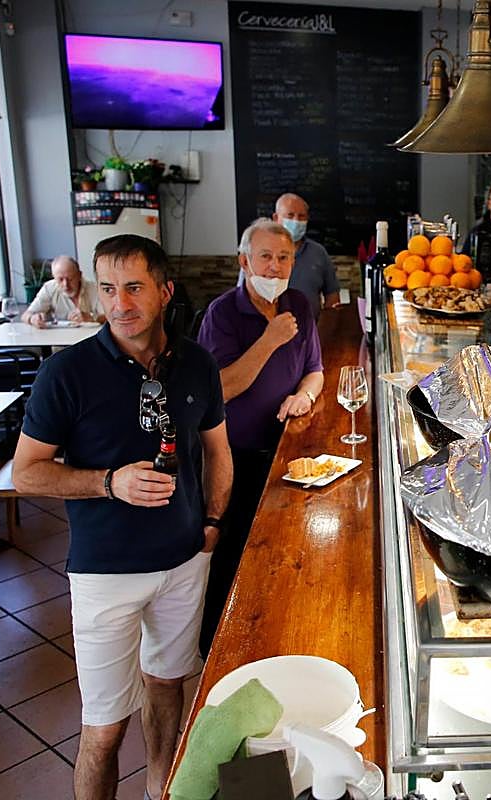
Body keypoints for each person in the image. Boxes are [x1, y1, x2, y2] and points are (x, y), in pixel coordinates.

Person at [12, 234, 233, 800]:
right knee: (103, 728)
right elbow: (28, 473)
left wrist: (210, 526)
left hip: (184, 561)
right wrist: (110, 482)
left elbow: (216, 451)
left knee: (167, 689)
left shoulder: (197, 363)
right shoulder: (67, 373)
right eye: (108, 289)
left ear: (164, 292)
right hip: (104, 572)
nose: (120, 304)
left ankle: (160, 791)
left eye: (134, 288)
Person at [196, 218, 324, 653]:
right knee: (230, 552)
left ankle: (268, 637)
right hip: (235, 454)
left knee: (275, 552)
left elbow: (315, 371)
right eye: (265, 257)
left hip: (286, 450)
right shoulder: (223, 313)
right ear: (244, 261)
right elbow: (220, 388)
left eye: (283, 258)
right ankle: (216, 646)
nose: (274, 268)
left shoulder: (300, 306)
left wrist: (304, 397)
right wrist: (269, 340)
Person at [238, 193, 340, 321]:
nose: (296, 221)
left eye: (301, 216)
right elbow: (242, 295)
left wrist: (326, 328)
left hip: (308, 330)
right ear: (276, 218)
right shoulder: (255, 253)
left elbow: (332, 294)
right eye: (290, 216)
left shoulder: (318, 253)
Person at [21, 255, 105, 326]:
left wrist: (92, 318)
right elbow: (25, 315)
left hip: (91, 340)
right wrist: (33, 319)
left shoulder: (95, 288)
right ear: (54, 277)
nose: (66, 285)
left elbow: (109, 317)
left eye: (70, 279)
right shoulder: (49, 288)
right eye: (60, 279)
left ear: (79, 275)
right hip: (60, 342)